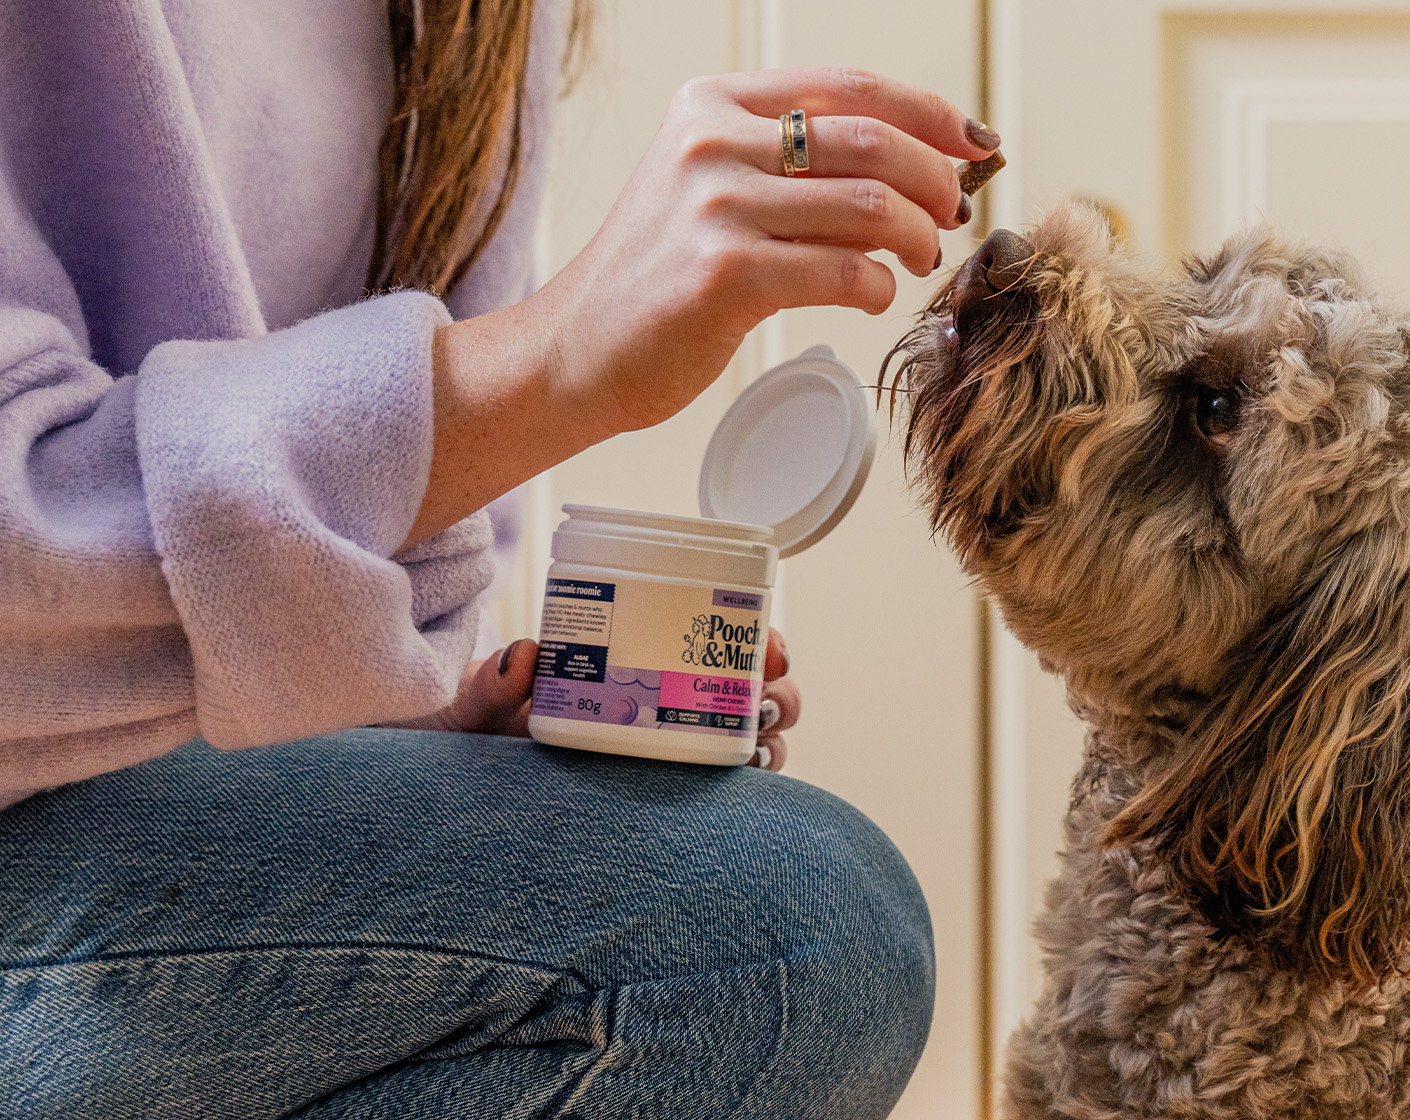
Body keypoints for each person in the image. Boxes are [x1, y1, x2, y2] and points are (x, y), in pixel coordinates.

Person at [0, 3, 996, 1116]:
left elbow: (391, 579)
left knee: (772, 895)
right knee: (788, 927)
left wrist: (439, 724)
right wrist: (555, 353)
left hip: (154, 826)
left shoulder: (474, 29)